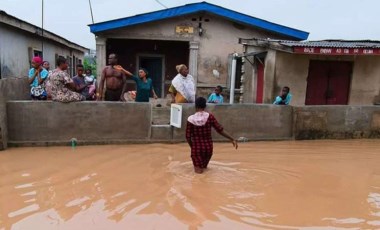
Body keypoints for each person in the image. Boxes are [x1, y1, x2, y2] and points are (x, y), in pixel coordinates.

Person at [186, 97, 238, 174]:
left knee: (198, 174)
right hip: (208, 148)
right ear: (205, 106)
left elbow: (188, 136)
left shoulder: (190, 119)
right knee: (204, 169)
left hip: (196, 149)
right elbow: (220, 130)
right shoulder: (210, 117)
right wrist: (232, 139)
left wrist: (192, 146)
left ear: (195, 106)